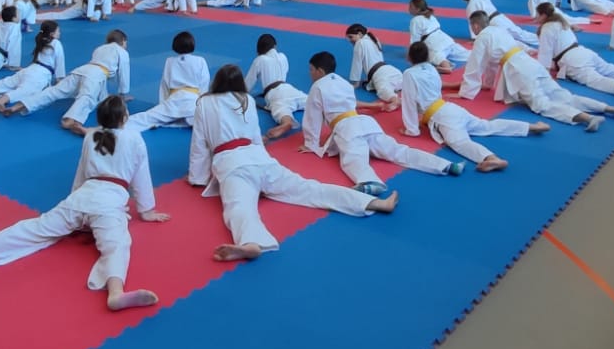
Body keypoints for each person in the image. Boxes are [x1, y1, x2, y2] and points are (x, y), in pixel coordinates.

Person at [0, 96, 169, 311]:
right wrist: (146, 210)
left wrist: (75, 208)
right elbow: (141, 176)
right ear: (124, 117)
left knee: (29, 229)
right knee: (117, 244)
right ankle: (115, 294)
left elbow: (82, 171)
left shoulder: (91, 135)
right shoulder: (134, 138)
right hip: (109, 202)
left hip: (80, 198)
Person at [189, 65, 396, 262]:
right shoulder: (246, 100)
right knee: (312, 189)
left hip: (232, 165)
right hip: (261, 160)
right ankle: (373, 203)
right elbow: (255, 136)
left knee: (239, 207)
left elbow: (199, 143)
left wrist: (197, 178)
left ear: (217, 82)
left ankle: (251, 242)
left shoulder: (204, 103)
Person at [302, 50, 460, 194]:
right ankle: (444, 165)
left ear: (320, 71)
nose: (310, 73)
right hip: (365, 123)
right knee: (398, 151)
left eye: (311, 69)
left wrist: (311, 143)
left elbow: (312, 116)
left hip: (346, 128)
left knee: (353, 159)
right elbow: (351, 104)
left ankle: (371, 182)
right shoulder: (343, 83)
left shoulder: (318, 86)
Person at [398, 42, 547, 172]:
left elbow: (409, 102)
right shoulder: (431, 68)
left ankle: (491, 158)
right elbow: (435, 91)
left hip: (442, 117)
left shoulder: (409, 74)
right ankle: (531, 126)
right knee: (487, 126)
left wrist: (411, 129)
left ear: (409, 57)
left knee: (460, 143)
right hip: (450, 108)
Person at [0, 30, 130, 135]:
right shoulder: (122, 52)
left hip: (81, 70)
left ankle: (19, 105)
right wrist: (123, 93)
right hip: (96, 75)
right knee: (86, 98)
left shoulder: (100, 48)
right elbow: (123, 73)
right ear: (123, 41)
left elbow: (101, 82)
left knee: (54, 91)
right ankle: (69, 120)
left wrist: (106, 97)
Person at [492, 37, 614, 131]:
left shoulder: (485, 38)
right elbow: (524, 46)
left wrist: (485, 85)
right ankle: (609, 108)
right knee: (566, 97)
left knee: (542, 105)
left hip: (519, 70)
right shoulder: (501, 33)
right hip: (532, 64)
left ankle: (589, 118)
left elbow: (484, 67)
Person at [127, 31, 209, 131]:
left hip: (174, 101)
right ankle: (188, 119)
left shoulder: (170, 61)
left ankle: (118, 123)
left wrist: (163, 104)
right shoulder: (200, 61)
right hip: (193, 103)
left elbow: (165, 84)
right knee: (207, 119)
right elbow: (204, 82)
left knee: (148, 117)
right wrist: (202, 103)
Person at [244, 33, 307, 140]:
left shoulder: (260, 59)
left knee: (281, 109)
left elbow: (247, 85)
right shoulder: (283, 57)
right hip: (289, 89)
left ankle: (287, 122)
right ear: (275, 46)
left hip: (274, 93)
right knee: (311, 101)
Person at [459, 11, 528, 100]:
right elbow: (491, 62)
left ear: (475, 25)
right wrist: (488, 84)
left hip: (515, 69)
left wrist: (465, 93)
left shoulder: (482, 37)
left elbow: (474, 65)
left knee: (533, 100)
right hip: (524, 62)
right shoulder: (498, 30)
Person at [345, 23, 401, 108]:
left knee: (382, 91)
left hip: (380, 74)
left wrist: (355, 83)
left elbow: (357, 64)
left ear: (359, 34)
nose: (349, 40)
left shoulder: (359, 43)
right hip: (392, 70)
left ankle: (395, 100)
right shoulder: (373, 39)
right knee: (395, 84)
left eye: (351, 37)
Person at [408, 0, 468, 72]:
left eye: (411, 6)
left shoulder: (415, 20)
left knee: (432, 56)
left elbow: (415, 40)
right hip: (447, 40)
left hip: (434, 43)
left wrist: (411, 54)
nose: (409, 8)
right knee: (466, 54)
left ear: (418, 9)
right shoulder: (430, 16)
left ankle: (446, 67)